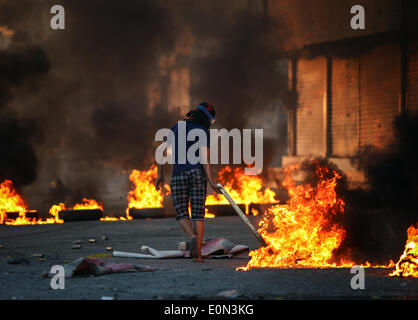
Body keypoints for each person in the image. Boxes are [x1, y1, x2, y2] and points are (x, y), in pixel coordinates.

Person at [155, 102, 220, 262]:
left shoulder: (176, 127)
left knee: (182, 213)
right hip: (197, 173)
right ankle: (198, 256)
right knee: (198, 216)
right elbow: (205, 160)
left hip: (179, 174)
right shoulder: (203, 131)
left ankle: (191, 236)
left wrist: (159, 174)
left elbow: (161, 151)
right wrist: (211, 182)